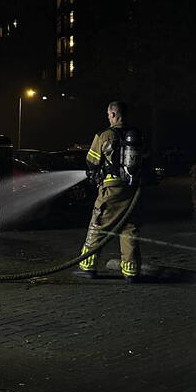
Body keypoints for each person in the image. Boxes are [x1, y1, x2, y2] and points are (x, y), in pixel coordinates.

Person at [75, 101, 142, 282]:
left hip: (111, 189)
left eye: (108, 114)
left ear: (113, 114)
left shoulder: (104, 135)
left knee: (98, 225)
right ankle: (131, 271)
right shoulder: (136, 135)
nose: (108, 117)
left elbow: (92, 161)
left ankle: (87, 266)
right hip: (132, 189)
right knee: (129, 228)